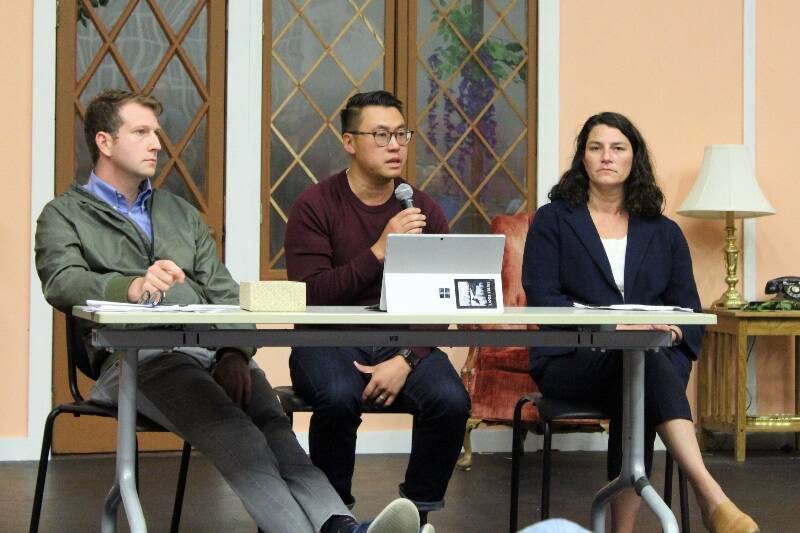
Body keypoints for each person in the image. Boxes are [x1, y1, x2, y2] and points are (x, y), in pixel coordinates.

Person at [34, 89, 427, 533]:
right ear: (104, 142)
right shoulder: (63, 215)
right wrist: (133, 286)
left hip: (208, 354)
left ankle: (341, 527)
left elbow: (223, 292)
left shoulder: (179, 214)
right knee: (240, 438)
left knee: (278, 435)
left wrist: (235, 353)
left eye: (156, 133)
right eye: (141, 132)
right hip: (135, 358)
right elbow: (62, 281)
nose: (156, 144)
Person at [521, 112, 759, 533]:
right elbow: (544, 300)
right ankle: (711, 496)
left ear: (635, 159)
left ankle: (629, 529)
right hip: (572, 359)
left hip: (643, 365)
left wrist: (668, 331)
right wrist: (613, 332)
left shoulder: (663, 232)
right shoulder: (553, 220)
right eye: (596, 148)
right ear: (582, 158)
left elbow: (688, 310)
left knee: (641, 370)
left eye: (618, 148)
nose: (606, 157)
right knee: (643, 370)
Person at [284, 90, 471, 525]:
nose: (395, 146)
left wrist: (406, 359)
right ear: (349, 142)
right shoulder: (314, 205)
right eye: (381, 135)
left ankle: (417, 515)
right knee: (337, 395)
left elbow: (439, 301)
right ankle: (334, 517)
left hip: (403, 344)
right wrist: (379, 250)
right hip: (328, 342)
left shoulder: (421, 208)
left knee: (449, 398)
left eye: (401, 135)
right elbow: (310, 295)